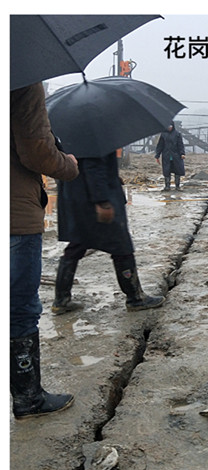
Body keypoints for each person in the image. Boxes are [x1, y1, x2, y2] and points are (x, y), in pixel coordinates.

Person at [10, 82, 79, 419]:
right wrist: (67, 164)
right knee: (20, 309)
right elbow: (35, 149)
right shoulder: (21, 74)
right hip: (13, 215)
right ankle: (28, 397)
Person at [52, 151, 166, 315]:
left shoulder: (74, 136)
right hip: (95, 200)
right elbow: (93, 167)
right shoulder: (95, 136)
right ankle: (135, 297)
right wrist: (102, 201)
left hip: (78, 197)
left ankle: (61, 299)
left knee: (77, 244)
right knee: (122, 246)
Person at [155, 122, 185, 191]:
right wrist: (157, 155)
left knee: (177, 170)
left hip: (176, 155)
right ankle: (167, 186)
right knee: (166, 171)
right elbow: (160, 145)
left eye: (170, 126)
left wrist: (182, 153)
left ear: (173, 126)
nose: (169, 127)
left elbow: (180, 145)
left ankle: (177, 186)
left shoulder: (177, 134)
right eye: (168, 126)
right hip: (166, 155)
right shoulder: (163, 134)